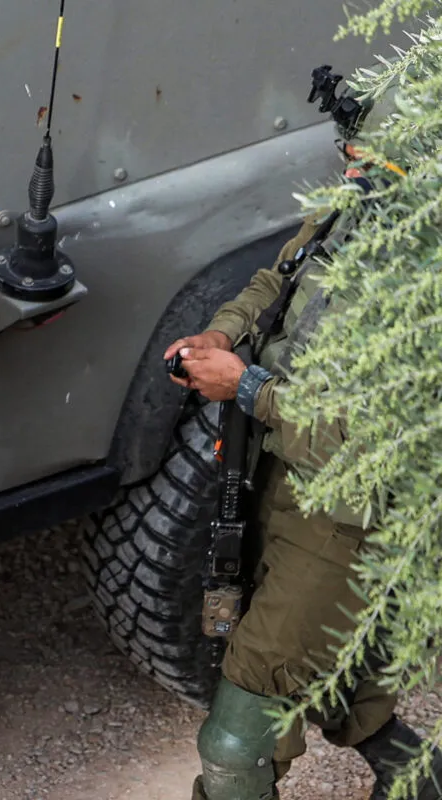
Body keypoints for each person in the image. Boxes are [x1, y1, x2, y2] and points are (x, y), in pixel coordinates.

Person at [169, 141, 442, 800]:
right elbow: (280, 278)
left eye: (368, 145)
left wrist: (247, 388)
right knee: (327, 675)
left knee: (235, 745)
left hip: (346, 523)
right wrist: (222, 333)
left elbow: (376, 451)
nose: (351, 157)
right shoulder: (361, 200)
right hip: (274, 474)